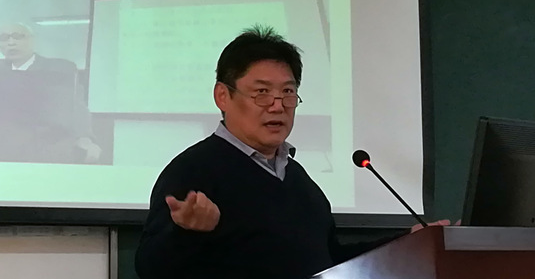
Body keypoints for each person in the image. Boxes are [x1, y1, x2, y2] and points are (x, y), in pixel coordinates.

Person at [135, 25, 447, 279]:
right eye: (261, 92)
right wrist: (187, 232)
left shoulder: (298, 180)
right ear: (223, 96)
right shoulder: (193, 170)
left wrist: (408, 241)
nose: (277, 105)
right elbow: (150, 269)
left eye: (288, 92)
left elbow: (330, 260)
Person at [0, 22, 101, 164]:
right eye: (3, 38)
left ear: (32, 40)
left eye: (18, 36)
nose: (11, 42)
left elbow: (76, 106)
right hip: (1, 147)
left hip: (44, 145)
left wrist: (84, 138)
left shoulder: (59, 67)